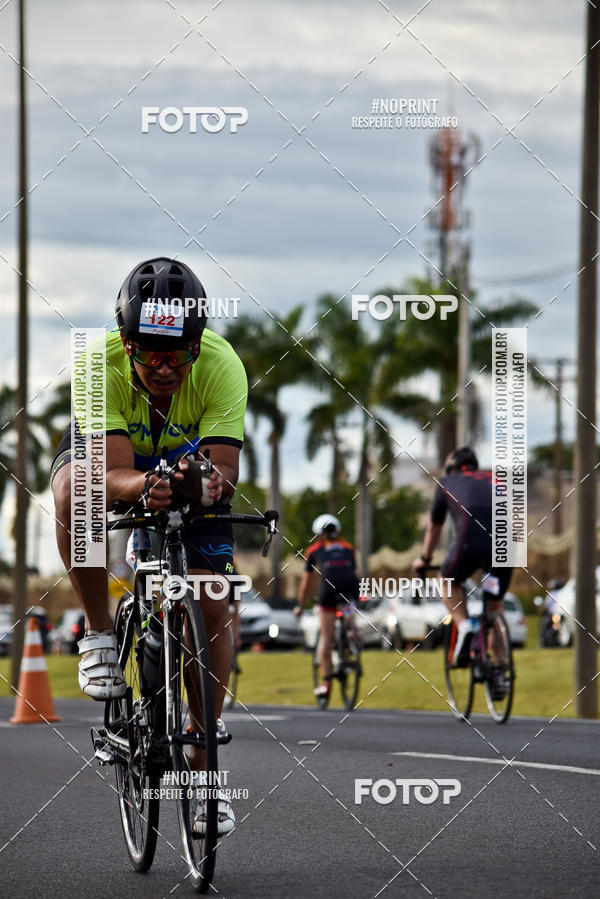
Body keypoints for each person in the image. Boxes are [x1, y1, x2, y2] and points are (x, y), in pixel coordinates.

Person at [50, 257, 247, 833]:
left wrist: (208, 485)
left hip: (188, 462)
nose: (164, 368)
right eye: (148, 353)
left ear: (198, 342)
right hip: (117, 463)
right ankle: (100, 634)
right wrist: (145, 486)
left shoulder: (222, 365)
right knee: (72, 492)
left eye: (178, 353)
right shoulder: (97, 365)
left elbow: (226, 470)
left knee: (211, 603)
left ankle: (206, 774)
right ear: (125, 342)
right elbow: (108, 472)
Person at [412, 447, 513, 698]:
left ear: (451, 467)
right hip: (504, 546)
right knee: (494, 608)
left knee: (446, 581)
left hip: (470, 541)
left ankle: (464, 625)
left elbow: (434, 527)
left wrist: (424, 559)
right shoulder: (494, 478)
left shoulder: (446, 482)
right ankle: (499, 673)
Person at [294, 514, 359, 697]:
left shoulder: (314, 550)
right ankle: (351, 633)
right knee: (347, 609)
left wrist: (300, 604)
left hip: (329, 589)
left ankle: (326, 683)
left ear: (318, 533)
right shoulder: (349, 547)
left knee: (326, 637)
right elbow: (352, 571)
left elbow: (306, 583)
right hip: (350, 586)